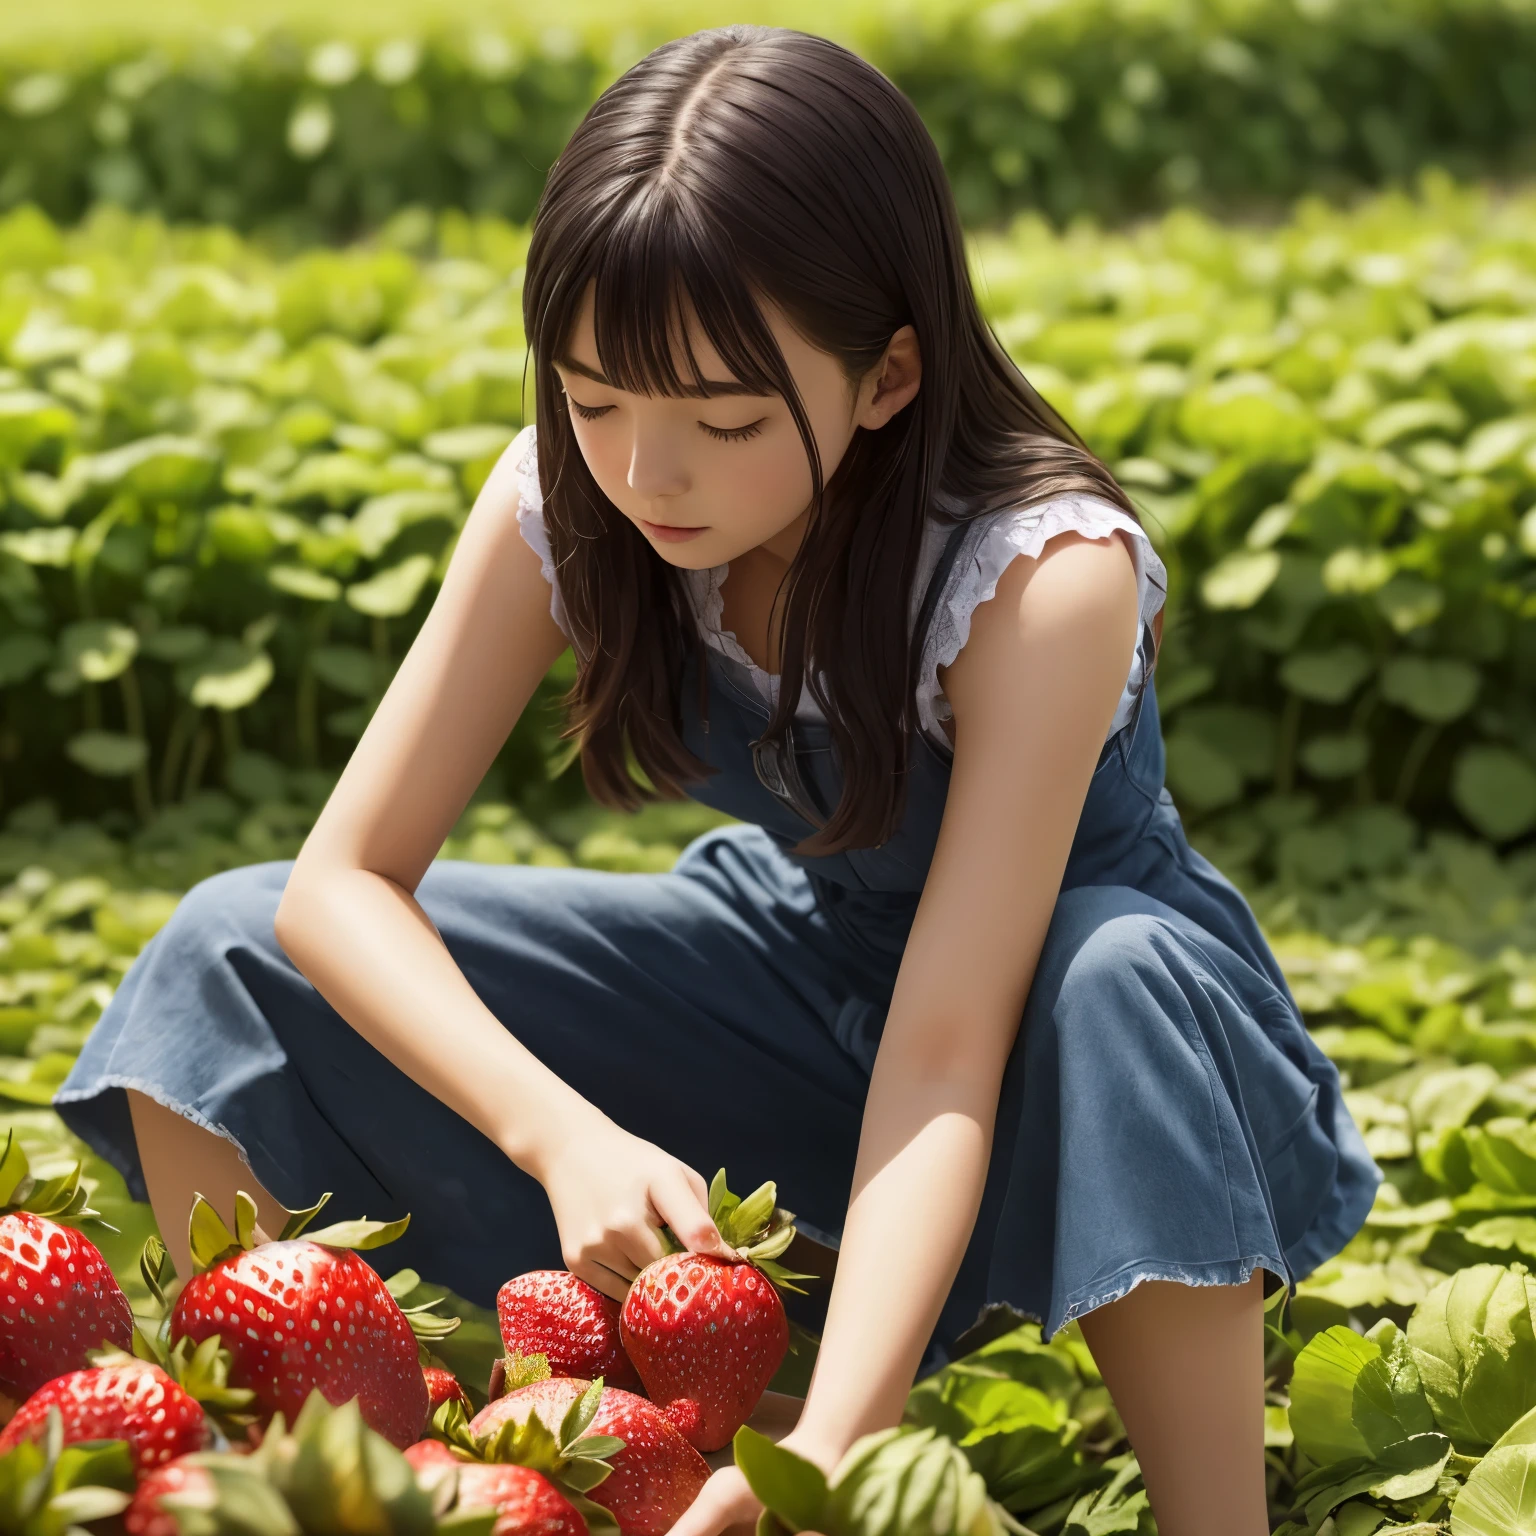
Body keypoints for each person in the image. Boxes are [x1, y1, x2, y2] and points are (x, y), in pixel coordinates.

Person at [55, 24, 1380, 1535]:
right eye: (594, 397)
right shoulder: (573, 494)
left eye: (726, 420)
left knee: (1118, 969)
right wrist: (564, 1134)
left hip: (1071, 1061)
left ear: (887, 377)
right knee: (224, 942)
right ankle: (319, 1482)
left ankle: (1214, 1515)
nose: (645, 475)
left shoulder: (1036, 579)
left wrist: (825, 1455)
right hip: (801, 982)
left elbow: (950, 1044)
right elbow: (336, 884)